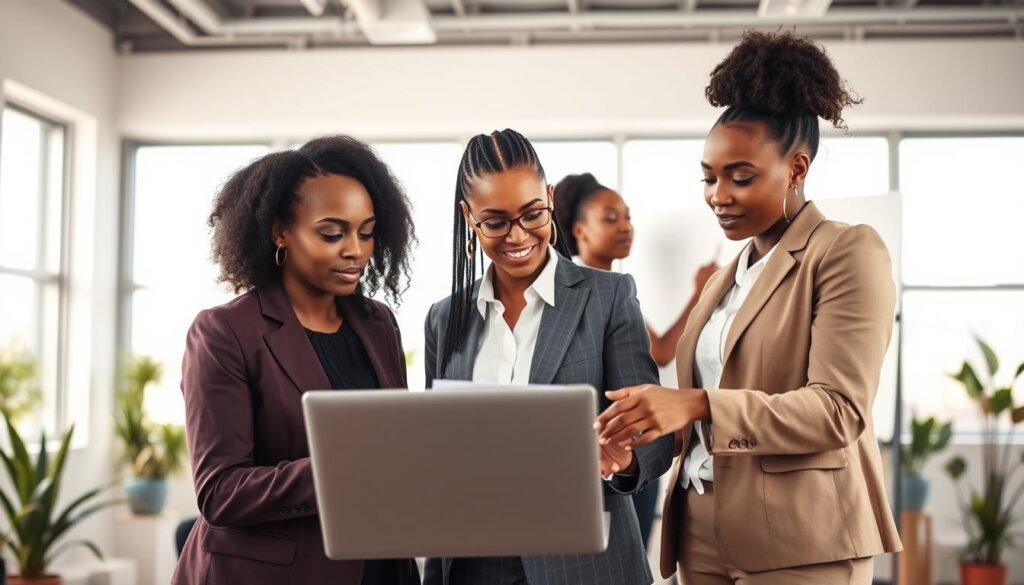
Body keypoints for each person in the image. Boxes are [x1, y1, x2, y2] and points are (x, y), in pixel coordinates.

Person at [595, 31, 902, 584]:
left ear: (797, 168)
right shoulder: (723, 282)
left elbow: (838, 410)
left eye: (741, 177)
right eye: (709, 178)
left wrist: (699, 404)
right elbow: (692, 415)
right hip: (701, 531)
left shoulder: (846, 251)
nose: (718, 196)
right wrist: (632, 447)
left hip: (802, 538)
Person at [422, 128, 673, 585]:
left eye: (532, 214)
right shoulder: (445, 319)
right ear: (468, 216)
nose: (517, 236)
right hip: (475, 566)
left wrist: (625, 459)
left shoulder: (608, 298)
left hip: (583, 565)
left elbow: (655, 438)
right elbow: (441, 459)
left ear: (551, 198)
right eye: (495, 222)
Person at [172, 136, 419, 585]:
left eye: (366, 232)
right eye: (332, 233)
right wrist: (341, 466)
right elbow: (219, 493)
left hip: (379, 567)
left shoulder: (377, 323)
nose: (356, 250)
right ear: (280, 231)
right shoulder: (224, 332)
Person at [553, 173, 718, 548]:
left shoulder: (613, 289)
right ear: (579, 230)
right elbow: (660, 351)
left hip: (637, 449)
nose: (625, 227)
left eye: (627, 217)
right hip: (606, 453)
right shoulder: (585, 293)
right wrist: (700, 294)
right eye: (610, 218)